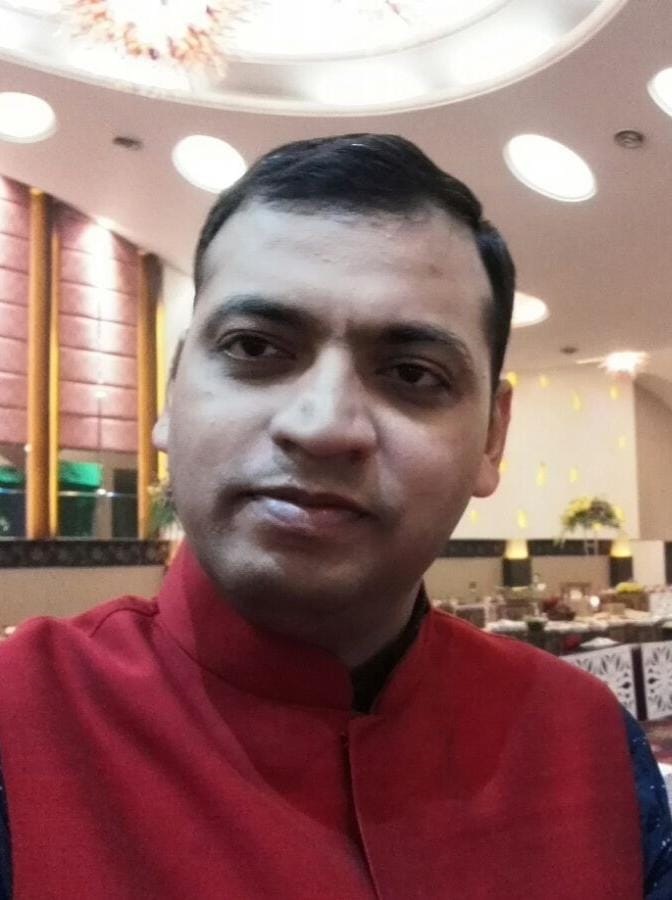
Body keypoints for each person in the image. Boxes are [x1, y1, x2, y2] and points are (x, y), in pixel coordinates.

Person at [0, 134, 670, 898]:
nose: (322, 426)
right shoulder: (17, 721)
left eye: (413, 373)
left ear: (493, 437)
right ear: (172, 392)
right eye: (255, 347)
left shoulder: (587, 740)